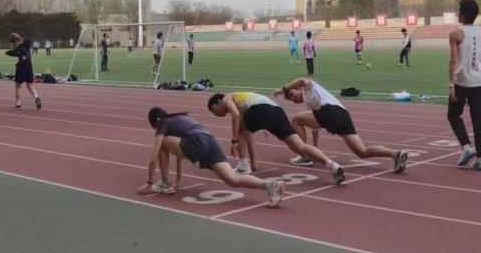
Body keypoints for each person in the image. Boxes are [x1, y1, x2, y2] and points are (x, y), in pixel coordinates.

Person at [139, 107, 285, 207]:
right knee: (232, 179)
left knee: (162, 143)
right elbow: (179, 153)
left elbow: (154, 156)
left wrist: (149, 182)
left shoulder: (162, 125)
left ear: (155, 122)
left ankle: (165, 182)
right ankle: (270, 185)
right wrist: (178, 179)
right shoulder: (178, 119)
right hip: (210, 141)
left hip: (196, 142)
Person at [274, 78, 407, 173]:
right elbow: (315, 129)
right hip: (342, 115)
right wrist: (314, 149)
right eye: (290, 99)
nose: (293, 99)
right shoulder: (311, 104)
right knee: (362, 151)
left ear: (298, 89)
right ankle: (395, 154)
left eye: (292, 95)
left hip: (330, 111)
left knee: (296, 119)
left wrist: (283, 89)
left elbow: (302, 80)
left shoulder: (309, 87)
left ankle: (304, 156)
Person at [207, 92, 345, 184]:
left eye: (214, 110)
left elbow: (236, 116)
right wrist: (253, 163)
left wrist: (234, 140)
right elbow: (248, 137)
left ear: (219, 102)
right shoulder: (242, 104)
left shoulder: (227, 98)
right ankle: (332, 165)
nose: (215, 114)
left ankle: (243, 166)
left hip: (262, 110)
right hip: (277, 111)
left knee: (238, 127)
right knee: (299, 146)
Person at [447, 0, 481, 171]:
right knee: (478, 119)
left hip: (462, 82)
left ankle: (467, 147)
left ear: (462, 15)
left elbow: (453, 60)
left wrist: (451, 85)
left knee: (453, 115)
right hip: (479, 82)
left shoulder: (456, 34)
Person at [6, 33, 41, 110]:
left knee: (18, 87)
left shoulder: (21, 49)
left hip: (21, 69)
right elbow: (16, 52)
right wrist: (9, 52)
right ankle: (36, 97)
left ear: (15, 42)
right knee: (30, 86)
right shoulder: (25, 45)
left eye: (13, 43)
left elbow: (24, 55)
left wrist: (21, 60)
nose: (13, 45)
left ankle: (18, 104)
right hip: (29, 68)